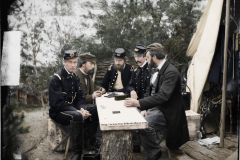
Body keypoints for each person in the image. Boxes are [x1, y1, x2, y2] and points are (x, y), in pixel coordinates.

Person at [124, 43, 189, 160]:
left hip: (168, 111)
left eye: (147, 57)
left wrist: (138, 103)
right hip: (158, 108)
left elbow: (163, 96)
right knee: (138, 120)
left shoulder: (171, 72)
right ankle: (153, 149)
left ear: (154, 57)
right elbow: (151, 93)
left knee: (143, 125)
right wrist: (144, 108)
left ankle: (154, 151)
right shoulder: (159, 70)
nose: (147, 60)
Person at [49, 49, 99, 160]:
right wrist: (78, 111)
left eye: (75, 62)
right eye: (70, 62)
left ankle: (91, 143)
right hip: (58, 111)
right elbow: (57, 104)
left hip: (74, 109)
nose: (73, 65)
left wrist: (82, 108)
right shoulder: (56, 79)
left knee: (97, 110)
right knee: (77, 116)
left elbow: (80, 98)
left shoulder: (75, 77)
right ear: (63, 62)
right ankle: (78, 153)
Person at [74, 53, 102, 150]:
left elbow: (94, 87)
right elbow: (77, 98)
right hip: (77, 107)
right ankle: (90, 142)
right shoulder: (76, 75)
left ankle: (92, 141)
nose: (93, 66)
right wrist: (93, 96)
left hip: (85, 104)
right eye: (91, 63)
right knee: (97, 110)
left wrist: (102, 89)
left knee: (97, 110)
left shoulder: (87, 75)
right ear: (83, 64)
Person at [127, 44, 151, 153]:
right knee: (127, 114)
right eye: (135, 57)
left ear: (145, 56)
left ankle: (148, 147)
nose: (137, 59)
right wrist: (132, 90)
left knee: (140, 117)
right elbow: (130, 84)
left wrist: (145, 107)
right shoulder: (136, 71)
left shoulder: (151, 70)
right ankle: (135, 145)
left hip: (149, 104)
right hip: (137, 103)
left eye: (139, 56)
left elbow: (152, 92)